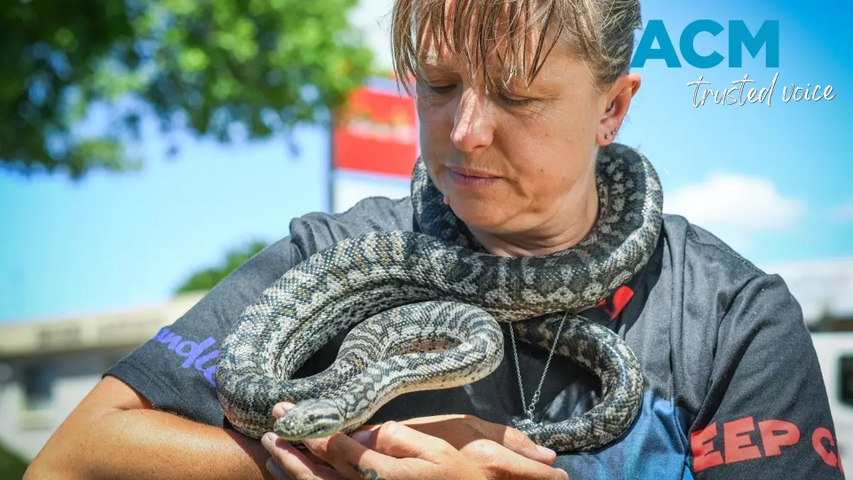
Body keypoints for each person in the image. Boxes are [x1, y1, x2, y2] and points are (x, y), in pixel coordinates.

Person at [26, 0, 844, 479]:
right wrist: (373, 460)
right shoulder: (338, 254)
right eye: (441, 86)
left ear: (611, 108)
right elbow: (71, 460)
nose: (467, 131)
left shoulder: (732, 318)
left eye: (517, 97)